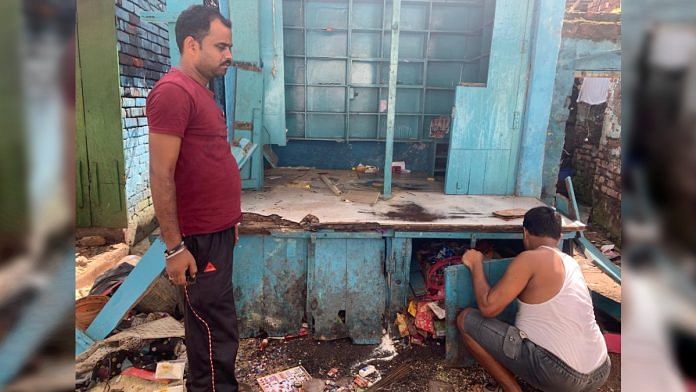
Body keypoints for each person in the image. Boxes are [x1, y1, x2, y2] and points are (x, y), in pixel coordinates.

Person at [146, 5, 243, 391]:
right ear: (191, 44)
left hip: (215, 234)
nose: (229, 55)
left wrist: (228, 221)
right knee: (212, 332)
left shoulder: (200, 92)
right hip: (197, 242)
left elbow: (209, 161)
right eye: (220, 46)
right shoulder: (172, 93)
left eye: (229, 47)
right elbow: (160, 174)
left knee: (216, 326)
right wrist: (174, 248)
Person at [456, 206, 610, 392]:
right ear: (559, 237)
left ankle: (513, 389)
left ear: (525, 233)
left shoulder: (529, 259)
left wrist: (476, 264)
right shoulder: (572, 263)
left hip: (561, 375)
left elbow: (488, 307)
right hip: (600, 369)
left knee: (465, 320)